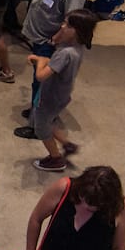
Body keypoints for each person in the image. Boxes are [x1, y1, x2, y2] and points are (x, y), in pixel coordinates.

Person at [20, 10, 98, 171]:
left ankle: (55, 159)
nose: (62, 26)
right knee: (48, 121)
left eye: (68, 25)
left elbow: (41, 75)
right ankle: (67, 144)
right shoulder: (76, 48)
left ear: (77, 31)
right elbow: (55, 66)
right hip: (61, 95)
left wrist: (40, 60)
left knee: (41, 128)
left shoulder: (64, 53)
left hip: (50, 97)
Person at [19, 0, 88, 115]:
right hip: (41, 40)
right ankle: (36, 108)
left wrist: (53, 40)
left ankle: (39, 122)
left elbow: (72, 23)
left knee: (44, 84)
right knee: (37, 81)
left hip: (49, 45)